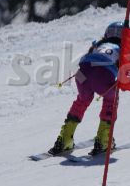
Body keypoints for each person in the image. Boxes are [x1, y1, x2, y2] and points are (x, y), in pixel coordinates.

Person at [49, 21, 123, 156]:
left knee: (82, 100)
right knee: (110, 100)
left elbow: (88, 57)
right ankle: (104, 140)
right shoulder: (121, 48)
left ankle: (64, 139)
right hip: (102, 74)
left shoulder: (98, 44)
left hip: (81, 73)